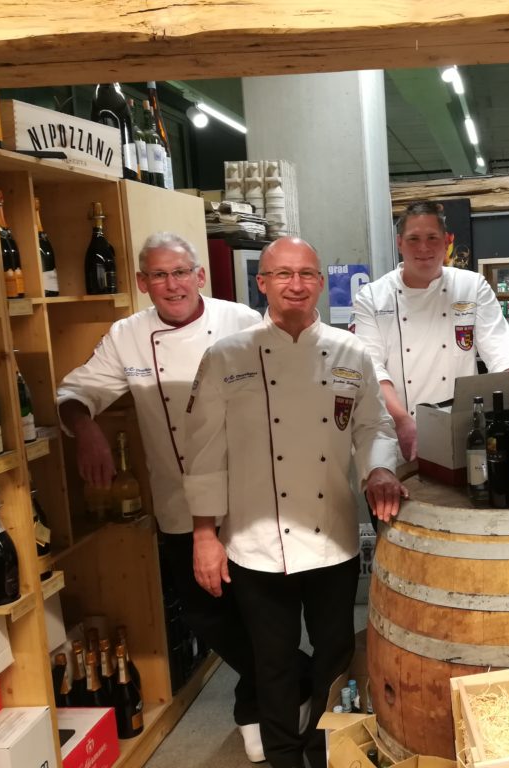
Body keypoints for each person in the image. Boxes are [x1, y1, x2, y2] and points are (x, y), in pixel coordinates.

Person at [183, 236, 404, 768]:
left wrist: (378, 469)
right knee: (273, 661)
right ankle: (284, 756)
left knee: (334, 654)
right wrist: (204, 534)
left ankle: (323, 749)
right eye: (283, 274)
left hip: (331, 535)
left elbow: (373, 426)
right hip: (255, 542)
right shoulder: (227, 356)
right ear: (262, 283)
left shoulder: (352, 352)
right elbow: (204, 453)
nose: (296, 284)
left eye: (306, 274)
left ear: (321, 283)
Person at [55, 232, 266, 759]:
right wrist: (86, 429)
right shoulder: (127, 335)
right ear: (142, 282)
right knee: (204, 614)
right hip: (180, 501)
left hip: (248, 495)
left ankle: (255, 704)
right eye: (158, 275)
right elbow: (76, 391)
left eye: (181, 272)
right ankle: (291, 680)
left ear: (200, 276)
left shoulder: (241, 320)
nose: (172, 285)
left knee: (256, 612)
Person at [351, 201, 509, 460]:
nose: (423, 248)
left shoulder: (472, 286)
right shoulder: (372, 297)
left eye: (432, 237)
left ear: (447, 242)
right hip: (398, 430)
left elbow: (499, 352)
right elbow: (372, 369)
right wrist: (402, 422)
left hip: (462, 430)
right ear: (399, 243)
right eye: (413, 239)